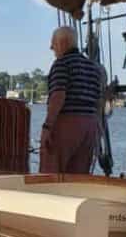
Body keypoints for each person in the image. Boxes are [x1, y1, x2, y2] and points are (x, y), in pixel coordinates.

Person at [40, 26, 103, 173]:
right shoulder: (93, 68)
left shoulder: (61, 64)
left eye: (53, 43)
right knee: (78, 176)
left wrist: (47, 127)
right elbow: (98, 101)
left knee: (51, 173)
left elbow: (58, 96)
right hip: (90, 126)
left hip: (67, 124)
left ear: (63, 42)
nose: (51, 47)